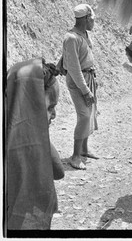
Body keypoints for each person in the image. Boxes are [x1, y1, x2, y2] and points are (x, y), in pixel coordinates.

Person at [6, 58, 64, 231]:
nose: (53, 115)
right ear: (30, 105)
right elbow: (58, 170)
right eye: (49, 108)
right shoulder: (29, 142)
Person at [62, 3, 98, 170]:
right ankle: (75, 156)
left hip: (88, 77)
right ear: (84, 19)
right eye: (91, 19)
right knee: (84, 115)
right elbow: (74, 68)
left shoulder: (83, 34)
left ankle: (83, 149)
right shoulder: (72, 38)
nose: (93, 22)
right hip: (78, 80)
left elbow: (67, 56)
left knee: (89, 114)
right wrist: (85, 90)